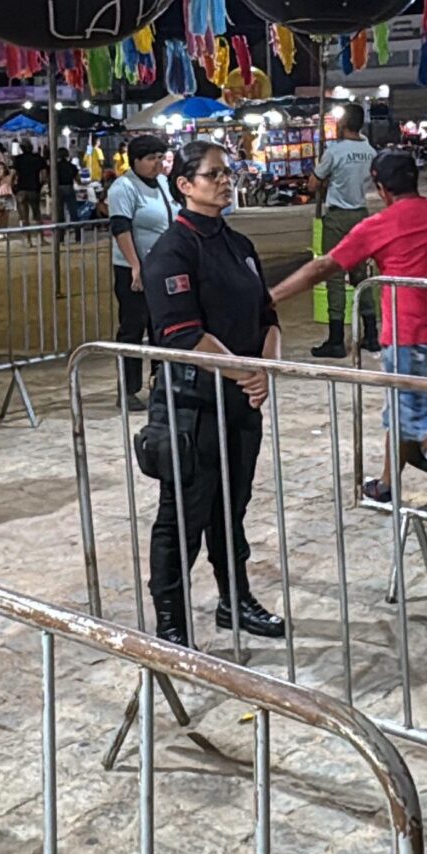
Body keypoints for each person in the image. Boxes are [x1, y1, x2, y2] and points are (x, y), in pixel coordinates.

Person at [140, 140, 287, 648]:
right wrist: (243, 371)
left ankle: (235, 600)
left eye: (228, 172)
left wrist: (264, 367)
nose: (226, 181)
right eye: (213, 174)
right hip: (192, 408)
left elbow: (267, 314)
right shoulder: (172, 251)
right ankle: (171, 625)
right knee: (182, 517)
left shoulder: (237, 244)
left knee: (232, 509)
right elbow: (181, 332)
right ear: (184, 185)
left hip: (240, 402)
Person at [269, 149, 427, 505]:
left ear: (380, 188)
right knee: (401, 407)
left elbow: (323, 267)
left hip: (408, 338)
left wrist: (272, 296)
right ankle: (387, 484)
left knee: (418, 417)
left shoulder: (380, 225)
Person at [104, 134, 177, 403]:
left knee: (163, 327)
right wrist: (135, 266)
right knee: (133, 328)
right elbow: (120, 228)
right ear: (134, 161)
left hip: (163, 268)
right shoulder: (123, 188)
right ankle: (128, 388)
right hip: (134, 270)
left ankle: (161, 381)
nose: (157, 163)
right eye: (150, 158)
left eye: (160, 157)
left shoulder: (163, 183)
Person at [309, 104, 379, 358]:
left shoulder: (335, 151)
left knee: (335, 277)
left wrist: (327, 180)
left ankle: (336, 339)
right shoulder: (370, 151)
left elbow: (312, 184)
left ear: (344, 123)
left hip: (338, 218)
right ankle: (371, 334)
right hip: (361, 216)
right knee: (361, 276)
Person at [12, 141, 48, 224]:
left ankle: (26, 231)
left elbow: (12, 174)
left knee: (23, 217)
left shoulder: (18, 159)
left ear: (21, 149)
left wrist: (13, 187)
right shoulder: (38, 158)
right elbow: (44, 176)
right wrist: (40, 185)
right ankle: (39, 231)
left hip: (21, 189)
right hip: (34, 189)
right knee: (37, 214)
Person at [0, 144, 18, 228]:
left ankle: (5, 229)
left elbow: (11, 183)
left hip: (7, 196)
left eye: (3, 168)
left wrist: (11, 175)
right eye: (0, 168)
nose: (2, 170)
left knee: (6, 215)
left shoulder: (8, 177)